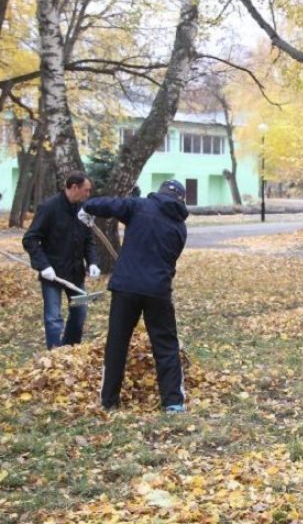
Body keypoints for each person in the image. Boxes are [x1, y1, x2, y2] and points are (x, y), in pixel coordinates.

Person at [81, 179, 189, 413]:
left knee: (117, 343)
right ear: (181, 199)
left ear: (159, 193)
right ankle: (173, 401)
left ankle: (109, 400)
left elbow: (111, 205)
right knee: (165, 344)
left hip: (126, 287)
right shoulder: (180, 227)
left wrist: (88, 207)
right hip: (158, 290)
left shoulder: (139, 206)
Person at [22, 172, 99, 349]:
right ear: (74, 187)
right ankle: (55, 354)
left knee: (80, 313)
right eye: (86, 191)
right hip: (53, 276)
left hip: (75, 273)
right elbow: (30, 239)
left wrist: (93, 262)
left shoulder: (83, 210)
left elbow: (89, 240)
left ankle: (70, 350)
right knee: (53, 318)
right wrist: (44, 266)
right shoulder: (49, 207)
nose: (88, 195)